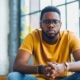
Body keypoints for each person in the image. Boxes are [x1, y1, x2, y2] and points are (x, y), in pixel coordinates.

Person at [8, 6, 80, 80]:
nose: (51, 25)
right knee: (13, 76)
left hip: (65, 78)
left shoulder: (70, 36)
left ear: (60, 24)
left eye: (55, 21)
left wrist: (64, 66)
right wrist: (41, 69)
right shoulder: (32, 36)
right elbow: (17, 65)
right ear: (40, 24)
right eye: (46, 22)